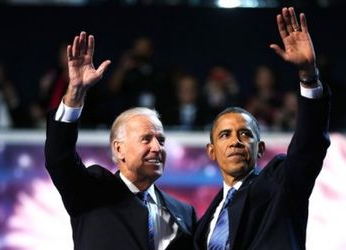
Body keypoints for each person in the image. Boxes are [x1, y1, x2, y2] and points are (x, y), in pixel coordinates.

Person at [194, 7, 330, 250]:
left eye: (245, 134)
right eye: (225, 135)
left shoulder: (281, 184)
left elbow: (309, 145)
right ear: (211, 151)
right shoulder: (205, 223)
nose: (235, 141)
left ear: (260, 148)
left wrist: (308, 76)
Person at [45, 31, 196, 250]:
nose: (157, 148)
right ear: (119, 149)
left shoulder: (184, 212)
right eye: (146, 139)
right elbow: (58, 157)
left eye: (161, 140)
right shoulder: (91, 191)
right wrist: (75, 92)